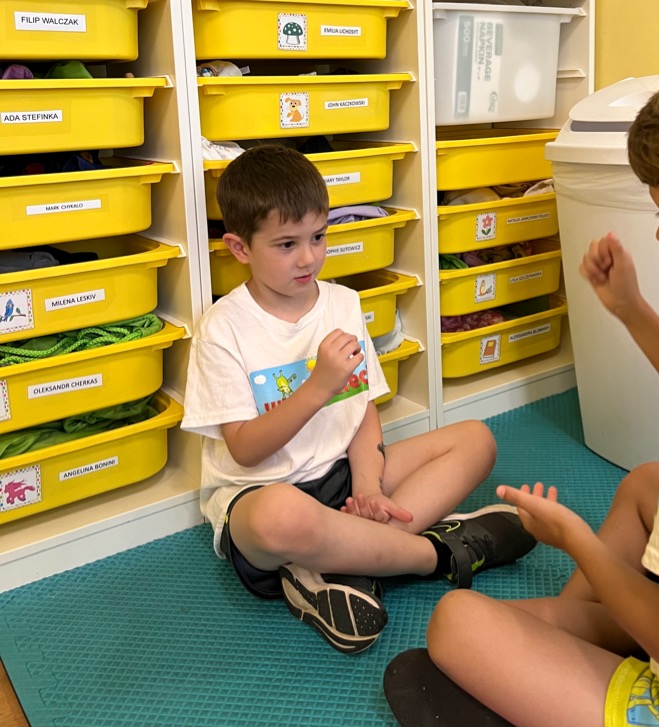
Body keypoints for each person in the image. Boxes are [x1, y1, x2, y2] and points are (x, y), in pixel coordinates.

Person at [384, 32, 659, 727]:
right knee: (648, 483)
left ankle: (565, 697)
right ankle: (560, 654)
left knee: (455, 624)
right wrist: (632, 311)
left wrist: (578, 542)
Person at [181, 144, 535, 655]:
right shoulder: (222, 328)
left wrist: (368, 484)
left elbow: (362, 409)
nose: (308, 257)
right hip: (264, 494)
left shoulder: (343, 303)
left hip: (343, 477)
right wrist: (317, 386)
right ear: (240, 249)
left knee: (476, 439)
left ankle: (341, 562)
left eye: (318, 236)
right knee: (281, 517)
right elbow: (245, 450)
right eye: (286, 244)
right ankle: (431, 555)